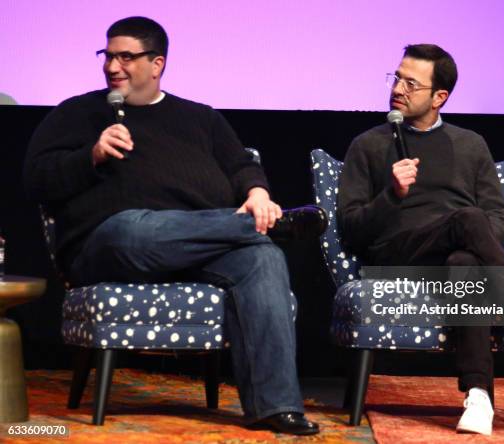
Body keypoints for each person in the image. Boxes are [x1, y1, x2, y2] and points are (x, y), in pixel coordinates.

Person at [24, 16, 319, 436]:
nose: (112, 66)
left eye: (126, 56)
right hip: (110, 247)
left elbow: (241, 166)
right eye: (107, 56)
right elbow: (35, 179)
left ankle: (276, 407)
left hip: (197, 250)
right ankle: (276, 226)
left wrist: (256, 194)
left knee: (262, 258)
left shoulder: (201, 119)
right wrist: (90, 155)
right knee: (134, 228)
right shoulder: (77, 113)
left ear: (157, 63)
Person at [337, 43, 504, 436]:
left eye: (411, 83)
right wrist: (391, 195)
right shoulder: (368, 145)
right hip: (396, 255)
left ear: (440, 97)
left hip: (452, 256)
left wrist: (471, 239)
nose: (398, 88)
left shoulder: (471, 145)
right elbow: (350, 229)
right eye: (397, 77)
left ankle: (478, 397)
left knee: (465, 264)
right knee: (468, 220)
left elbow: (497, 216)